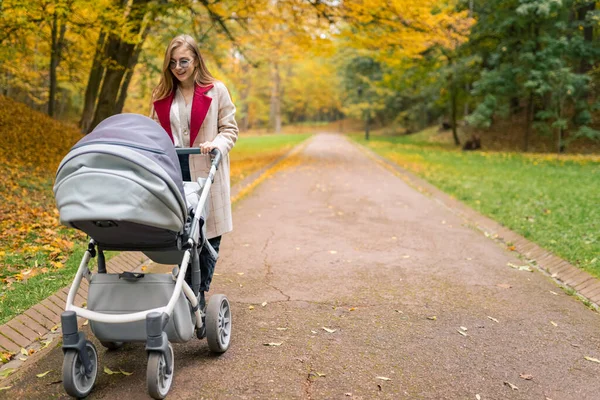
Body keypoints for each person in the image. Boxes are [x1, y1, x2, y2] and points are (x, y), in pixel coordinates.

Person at [150, 34, 238, 336]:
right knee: (182, 237)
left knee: (208, 237)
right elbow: (152, 133)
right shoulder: (161, 96)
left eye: (183, 61)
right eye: (172, 63)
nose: (178, 67)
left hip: (206, 172)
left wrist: (215, 143)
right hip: (175, 172)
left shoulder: (216, 91)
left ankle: (195, 293)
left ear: (196, 60)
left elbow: (230, 129)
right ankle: (185, 291)